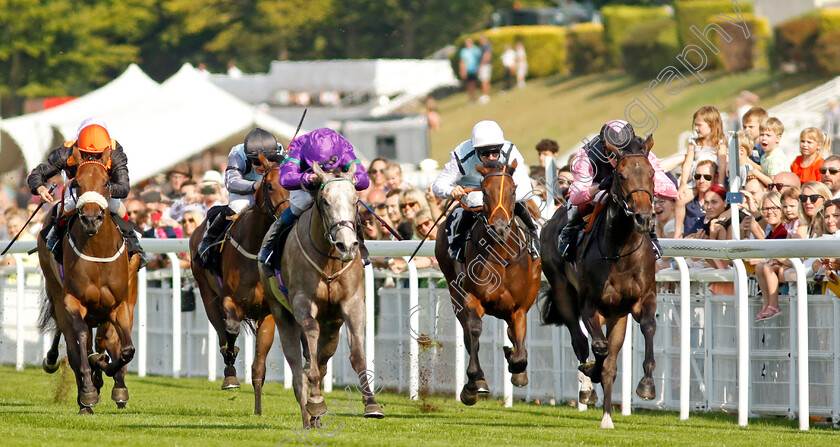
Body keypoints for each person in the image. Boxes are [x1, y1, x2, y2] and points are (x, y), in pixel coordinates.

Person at [26, 118, 148, 269]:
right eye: (86, 154)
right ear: (79, 146)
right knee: (67, 205)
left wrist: (100, 190)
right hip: (78, 187)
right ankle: (55, 237)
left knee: (117, 206)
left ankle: (133, 242)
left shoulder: (115, 152)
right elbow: (37, 174)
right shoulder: (66, 152)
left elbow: (123, 187)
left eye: (97, 155)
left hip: (104, 188)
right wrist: (40, 188)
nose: (92, 158)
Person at [559, 120, 678, 260]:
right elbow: (575, 196)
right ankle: (570, 229)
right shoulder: (585, 156)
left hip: (628, 189)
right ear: (604, 149)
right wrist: (600, 187)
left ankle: (651, 236)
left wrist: (640, 184)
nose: (619, 157)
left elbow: (671, 191)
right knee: (592, 200)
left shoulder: (641, 150)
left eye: (625, 150)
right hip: (597, 186)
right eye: (613, 153)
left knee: (642, 197)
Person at [258, 128, 370, 267]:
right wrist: (309, 177)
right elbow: (286, 178)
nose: (327, 170)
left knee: (345, 202)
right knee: (302, 202)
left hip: (334, 183)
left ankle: (361, 247)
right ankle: (271, 244)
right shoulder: (299, 147)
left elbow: (364, 179)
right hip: (306, 185)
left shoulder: (343, 146)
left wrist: (354, 180)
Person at [432, 120, 540, 262]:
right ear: (475, 150)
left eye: (495, 153)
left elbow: (526, 189)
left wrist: (502, 196)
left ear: (501, 148)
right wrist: (451, 190)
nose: (490, 158)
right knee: (475, 200)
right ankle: (458, 244)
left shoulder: (510, 151)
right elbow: (438, 185)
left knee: (521, 204)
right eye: (485, 153)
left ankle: (534, 238)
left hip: (502, 191)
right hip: (472, 190)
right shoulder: (462, 154)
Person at [196, 128, 285, 263]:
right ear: (248, 157)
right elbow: (231, 183)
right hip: (245, 188)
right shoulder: (238, 154)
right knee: (237, 207)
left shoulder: (280, 150)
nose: (261, 167)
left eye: (265, 162)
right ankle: (209, 238)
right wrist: (255, 185)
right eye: (256, 162)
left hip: (272, 187)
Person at [674, 106, 727, 236]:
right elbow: (687, 164)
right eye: (695, 125)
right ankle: (678, 232)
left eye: (699, 125)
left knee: (716, 202)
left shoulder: (719, 143)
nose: (696, 129)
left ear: (712, 125)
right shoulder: (694, 143)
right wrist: (682, 185)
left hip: (713, 180)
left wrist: (719, 185)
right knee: (680, 200)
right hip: (698, 179)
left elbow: (722, 165)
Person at [752, 191, 789, 321]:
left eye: (774, 208)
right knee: (759, 266)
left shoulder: (784, 229)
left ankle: (773, 305)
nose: (770, 212)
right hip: (777, 265)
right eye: (766, 208)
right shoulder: (773, 230)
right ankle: (767, 304)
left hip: (785, 266)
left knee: (766, 266)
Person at [753, 117, 790, 186]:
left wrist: (756, 173)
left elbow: (774, 184)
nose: (764, 138)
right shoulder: (765, 156)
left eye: (768, 135)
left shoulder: (777, 158)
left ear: (778, 138)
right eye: (761, 135)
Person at [477, 35, 493, 104]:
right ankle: (487, 95)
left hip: (485, 65)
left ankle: (485, 95)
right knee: (486, 80)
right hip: (487, 65)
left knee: (484, 80)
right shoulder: (486, 46)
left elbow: (487, 55)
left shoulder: (485, 46)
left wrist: (482, 64)